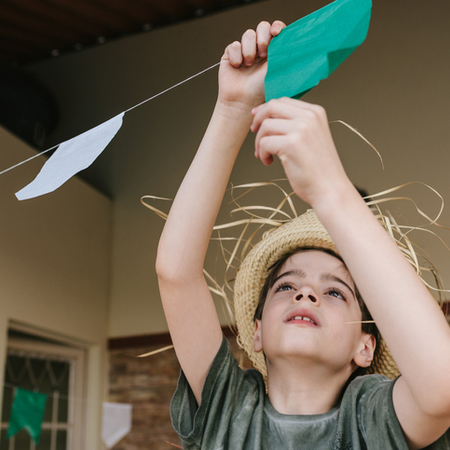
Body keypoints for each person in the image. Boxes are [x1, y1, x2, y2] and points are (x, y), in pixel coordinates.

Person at [155, 20, 450, 449]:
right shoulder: (228, 408)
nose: (305, 295)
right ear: (255, 331)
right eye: (286, 286)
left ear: (366, 346)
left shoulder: (373, 418)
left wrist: (332, 191)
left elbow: (443, 385)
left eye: (335, 293)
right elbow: (175, 272)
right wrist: (234, 108)